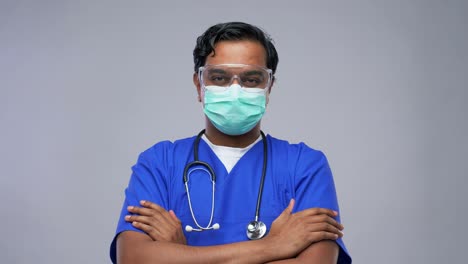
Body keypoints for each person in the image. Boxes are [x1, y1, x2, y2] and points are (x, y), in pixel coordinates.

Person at [110, 21, 352, 263]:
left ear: (268, 88)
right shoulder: (160, 163)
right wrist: (274, 245)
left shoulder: (305, 165)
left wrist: (181, 254)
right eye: (219, 77)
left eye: (251, 79)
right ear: (199, 85)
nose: (235, 90)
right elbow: (133, 258)